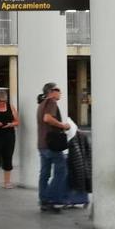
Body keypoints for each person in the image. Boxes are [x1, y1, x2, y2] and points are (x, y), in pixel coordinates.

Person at [37, 82, 70, 213]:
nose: (60, 92)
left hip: (42, 144)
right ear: (51, 91)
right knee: (61, 172)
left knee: (44, 173)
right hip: (52, 144)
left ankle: (43, 200)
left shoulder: (41, 104)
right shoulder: (51, 102)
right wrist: (63, 125)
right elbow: (47, 118)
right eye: (58, 90)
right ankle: (51, 199)